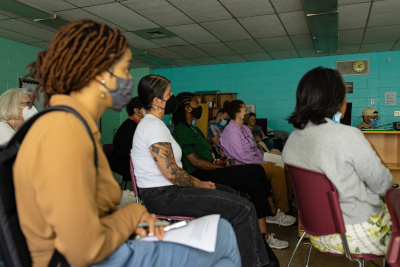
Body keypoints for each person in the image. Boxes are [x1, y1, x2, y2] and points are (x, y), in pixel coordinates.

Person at [14, 20, 240, 267]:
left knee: (220, 233)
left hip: (98, 243)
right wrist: (132, 215)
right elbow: (82, 249)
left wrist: (133, 219)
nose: (128, 82)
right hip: (82, 259)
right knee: (223, 236)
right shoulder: (67, 133)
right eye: (124, 71)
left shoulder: (73, 124)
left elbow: (87, 214)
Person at [132, 75, 281, 266]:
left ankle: (235, 254)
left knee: (228, 192)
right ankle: (260, 263)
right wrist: (200, 183)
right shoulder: (153, 127)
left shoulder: (155, 125)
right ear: (157, 101)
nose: (173, 98)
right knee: (244, 209)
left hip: (167, 191)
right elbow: (172, 173)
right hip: (163, 196)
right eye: (169, 94)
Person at [283, 67, 393, 255]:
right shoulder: (348, 135)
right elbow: (384, 185)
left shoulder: (292, 138)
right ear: (337, 99)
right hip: (358, 233)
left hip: (316, 233)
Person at [171, 92, 289, 250]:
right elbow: (195, 162)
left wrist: (217, 161)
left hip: (210, 169)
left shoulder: (197, 131)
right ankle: (273, 211)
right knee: (257, 170)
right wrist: (218, 166)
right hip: (199, 175)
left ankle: (263, 238)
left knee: (257, 184)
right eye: (196, 105)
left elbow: (206, 158)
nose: (199, 108)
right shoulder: (180, 130)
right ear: (187, 108)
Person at [219, 100, 296, 227]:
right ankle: (282, 211)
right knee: (277, 171)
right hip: (243, 166)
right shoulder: (231, 131)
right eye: (245, 110)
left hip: (256, 160)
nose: (247, 113)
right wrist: (264, 163)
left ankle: (286, 203)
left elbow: (254, 148)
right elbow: (242, 157)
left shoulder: (243, 128)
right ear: (238, 114)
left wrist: (265, 160)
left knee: (286, 165)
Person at [109, 96, 144, 180]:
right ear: (136, 110)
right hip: (122, 165)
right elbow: (127, 152)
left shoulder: (136, 125)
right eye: (145, 108)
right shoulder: (129, 127)